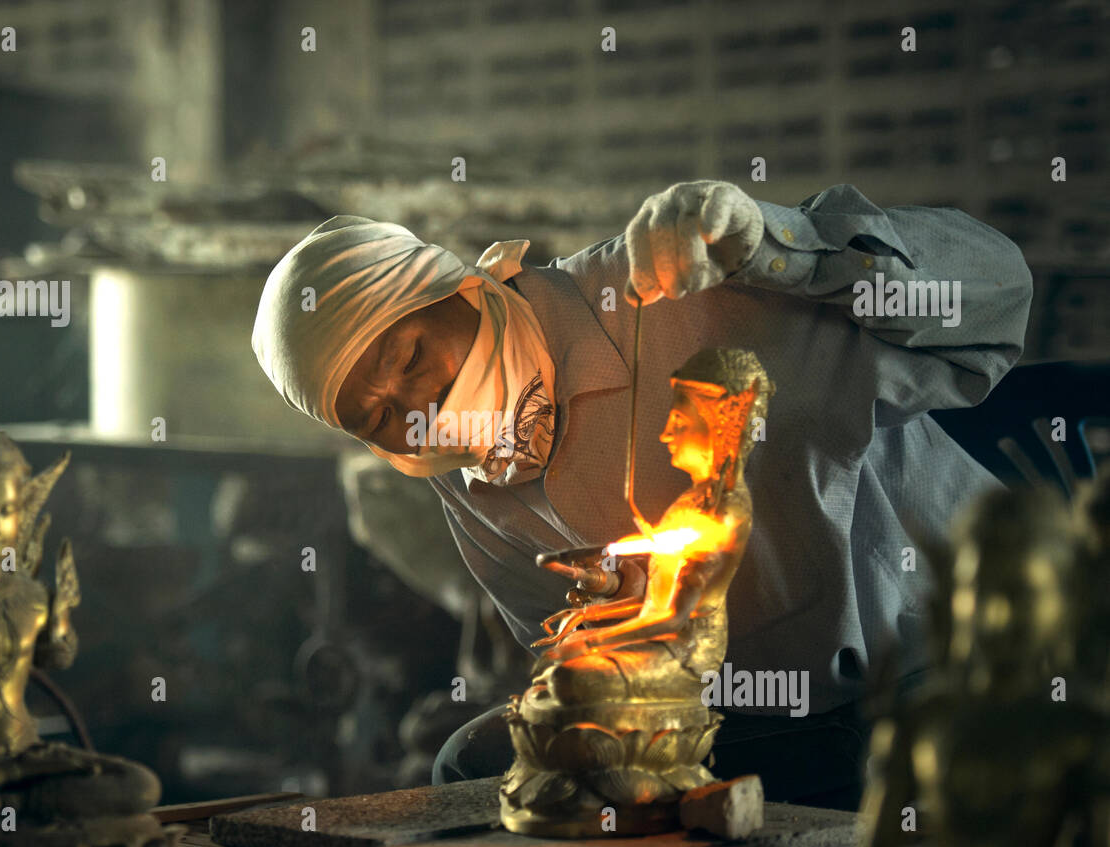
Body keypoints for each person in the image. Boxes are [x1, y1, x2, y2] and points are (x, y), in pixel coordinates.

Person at [251, 180, 1032, 809]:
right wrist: (609, 637)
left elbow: (999, 296)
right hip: (752, 720)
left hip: (945, 668)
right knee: (475, 765)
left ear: (460, 287)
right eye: (378, 417)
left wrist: (782, 247)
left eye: (413, 355)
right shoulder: (468, 488)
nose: (416, 412)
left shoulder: (684, 294)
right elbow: (578, 646)